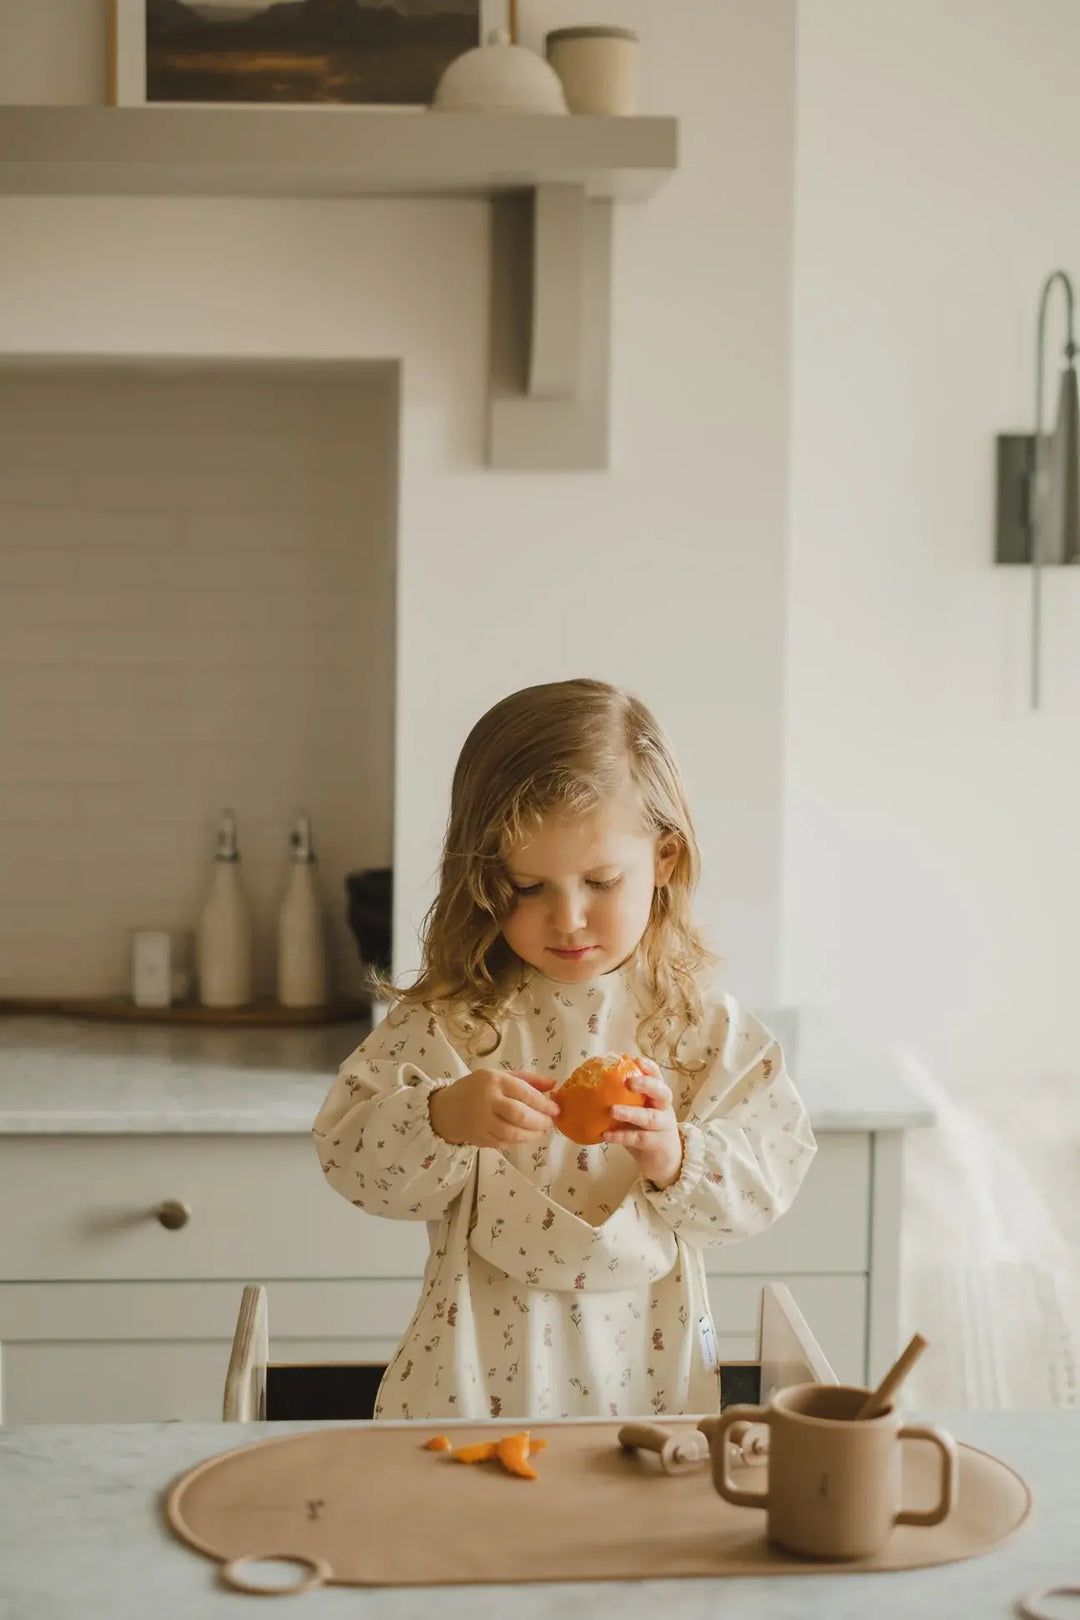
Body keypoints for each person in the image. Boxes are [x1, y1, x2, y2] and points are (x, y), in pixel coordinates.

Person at [313, 679, 816, 1421]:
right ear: (482, 880)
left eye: (601, 881)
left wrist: (677, 1156)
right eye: (527, 886)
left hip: (649, 1382)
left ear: (665, 858)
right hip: (474, 1380)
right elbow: (349, 1158)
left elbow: (772, 1174)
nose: (569, 918)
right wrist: (442, 1116)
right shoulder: (454, 1022)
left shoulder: (699, 1028)